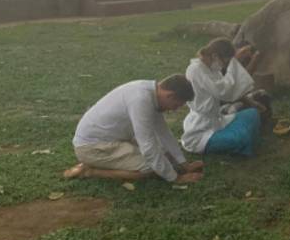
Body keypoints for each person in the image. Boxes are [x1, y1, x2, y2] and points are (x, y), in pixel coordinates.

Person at [64, 74, 203, 184]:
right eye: (176, 105)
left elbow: (163, 132)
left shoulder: (150, 92)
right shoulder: (141, 100)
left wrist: (183, 164)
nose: (174, 110)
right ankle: (89, 171)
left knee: (161, 156)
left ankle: (100, 164)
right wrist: (175, 178)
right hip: (93, 147)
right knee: (150, 167)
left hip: (112, 140)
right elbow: (147, 146)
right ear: (170, 95)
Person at [181, 38, 269, 157]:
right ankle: (235, 141)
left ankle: (240, 138)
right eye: (225, 62)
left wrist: (251, 102)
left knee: (252, 114)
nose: (224, 65)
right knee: (241, 137)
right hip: (201, 129)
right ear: (215, 56)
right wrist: (235, 62)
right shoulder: (196, 70)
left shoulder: (211, 68)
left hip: (217, 119)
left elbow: (230, 88)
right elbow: (224, 91)